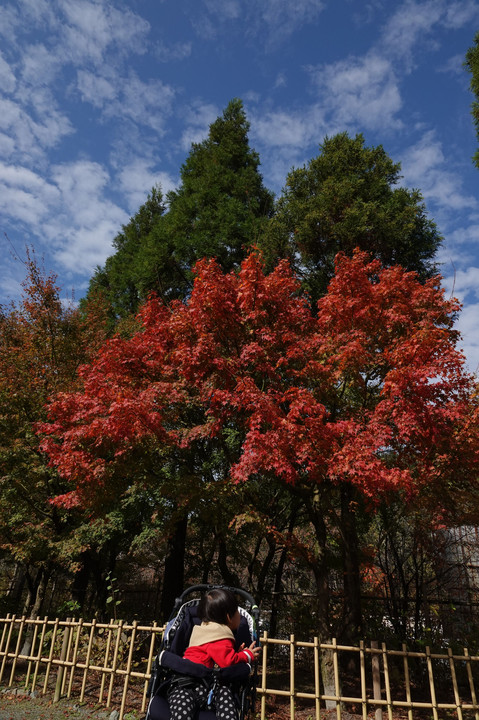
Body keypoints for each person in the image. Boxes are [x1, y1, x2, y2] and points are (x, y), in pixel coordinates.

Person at [168, 588, 260, 720]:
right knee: (226, 696)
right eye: (237, 612)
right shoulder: (219, 636)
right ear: (229, 617)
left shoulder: (204, 630)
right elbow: (227, 661)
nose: (240, 616)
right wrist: (247, 655)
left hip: (185, 685)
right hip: (195, 685)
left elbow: (218, 656)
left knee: (182, 713)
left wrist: (236, 654)